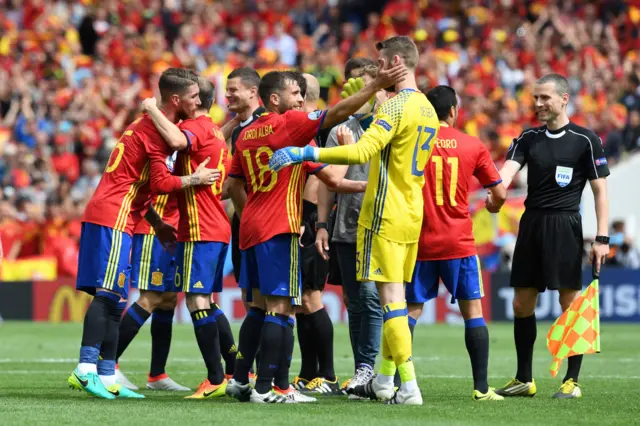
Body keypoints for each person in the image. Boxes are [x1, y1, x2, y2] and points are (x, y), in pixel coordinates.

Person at [269, 35, 439, 405]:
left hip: (384, 211)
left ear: (395, 61)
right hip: (412, 211)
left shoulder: (396, 107)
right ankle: (384, 379)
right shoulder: (427, 107)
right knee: (393, 297)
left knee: (390, 299)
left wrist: (304, 151)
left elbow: (363, 149)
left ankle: (408, 386)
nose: (377, 70)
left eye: (381, 64)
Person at [226, 67, 402, 403]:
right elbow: (337, 113)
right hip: (279, 227)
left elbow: (232, 184)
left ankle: (240, 380)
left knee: (258, 308)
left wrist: (252, 212)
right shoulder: (289, 126)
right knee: (282, 307)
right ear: (275, 99)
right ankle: (269, 389)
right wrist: (377, 85)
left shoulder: (246, 135)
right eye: (296, 93)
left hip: (249, 227)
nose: (302, 100)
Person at [67, 68, 219, 399]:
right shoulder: (158, 129)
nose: (199, 102)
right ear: (176, 99)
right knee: (107, 295)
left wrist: (158, 222)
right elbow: (163, 182)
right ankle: (85, 368)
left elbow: (146, 184)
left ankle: (108, 375)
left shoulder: (151, 126)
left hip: (123, 213)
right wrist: (195, 179)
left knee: (116, 298)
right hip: (114, 214)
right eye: (194, 96)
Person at [493, 73, 610, 399]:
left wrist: (602, 238)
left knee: (569, 302)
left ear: (563, 98)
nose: (538, 104)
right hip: (531, 225)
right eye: (536, 98)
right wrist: (495, 192)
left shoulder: (585, 140)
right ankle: (524, 379)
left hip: (565, 225)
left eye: (545, 98)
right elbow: (506, 174)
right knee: (521, 302)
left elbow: (600, 191)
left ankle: (571, 381)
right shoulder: (527, 138)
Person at [404, 85, 506, 401]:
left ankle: (397, 381)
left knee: (409, 311)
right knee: (472, 311)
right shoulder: (472, 145)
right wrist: (493, 206)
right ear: (453, 111)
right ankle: (481, 388)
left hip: (419, 242)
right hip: (458, 242)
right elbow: (499, 193)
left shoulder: (411, 144)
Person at [142, 77, 235, 399]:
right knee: (205, 301)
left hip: (201, 229)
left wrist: (152, 109)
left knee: (197, 301)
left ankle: (215, 377)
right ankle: (233, 366)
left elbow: (177, 142)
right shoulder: (216, 133)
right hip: (209, 226)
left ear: (194, 101)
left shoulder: (198, 129)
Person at [314, 57, 389, 397]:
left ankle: (372, 369)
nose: (360, 90)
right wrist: (321, 224)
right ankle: (363, 371)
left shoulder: (389, 127)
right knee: (354, 301)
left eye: (367, 83)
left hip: (380, 223)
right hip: (345, 224)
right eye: (356, 84)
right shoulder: (339, 129)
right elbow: (328, 183)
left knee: (373, 299)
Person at [114, 192, 190, 392]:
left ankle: (157, 374)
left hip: (173, 229)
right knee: (151, 298)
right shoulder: (163, 160)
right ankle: (107, 363)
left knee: (168, 300)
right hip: (153, 230)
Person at [224, 67, 264, 386]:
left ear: (254, 91)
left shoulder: (269, 125)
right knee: (252, 300)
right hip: (245, 225)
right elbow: (233, 182)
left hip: (267, 224)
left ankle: (272, 374)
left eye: (234, 89)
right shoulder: (239, 131)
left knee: (275, 302)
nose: (228, 95)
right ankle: (247, 374)